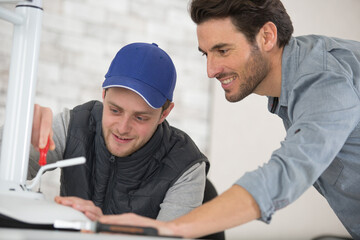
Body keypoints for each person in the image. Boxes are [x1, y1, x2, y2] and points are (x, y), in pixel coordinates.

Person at [95, 0, 360, 239]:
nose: (210, 70)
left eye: (222, 50)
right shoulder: (300, 77)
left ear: (267, 36)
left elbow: (286, 174)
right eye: (206, 54)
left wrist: (170, 228)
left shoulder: (324, 80)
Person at [22, 42, 209, 221]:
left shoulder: (187, 167)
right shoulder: (74, 124)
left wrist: (103, 229)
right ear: (103, 95)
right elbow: (7, 176)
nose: (122, 128)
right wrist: (18, 134)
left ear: (164, 113)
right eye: (115, 110)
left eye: (140, 117)